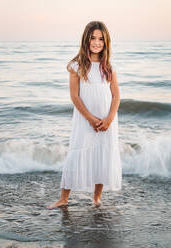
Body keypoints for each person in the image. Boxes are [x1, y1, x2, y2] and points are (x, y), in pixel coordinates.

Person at [46, 20, 122, 209]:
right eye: (93, 38)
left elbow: (116, 95)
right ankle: (64, 198)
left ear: (106, 42)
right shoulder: (76, 65)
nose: (97, 42)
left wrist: (110, 118)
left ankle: (96, 197)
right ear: (86, 39)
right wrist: (89, 118)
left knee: (103, 154)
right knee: (76, 152)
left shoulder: (109, 67)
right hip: (85, 119)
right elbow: (74, 96)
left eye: (101, 39)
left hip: (106, 119)